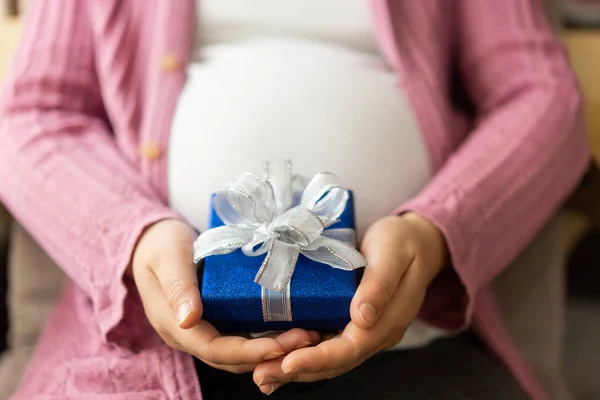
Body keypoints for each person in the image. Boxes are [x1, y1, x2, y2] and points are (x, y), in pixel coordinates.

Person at [0, 0, 589, 399]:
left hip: (419, 348)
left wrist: (436, 231)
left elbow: (544, 98)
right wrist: (135, 237)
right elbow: (32, 115)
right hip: (148, 359)